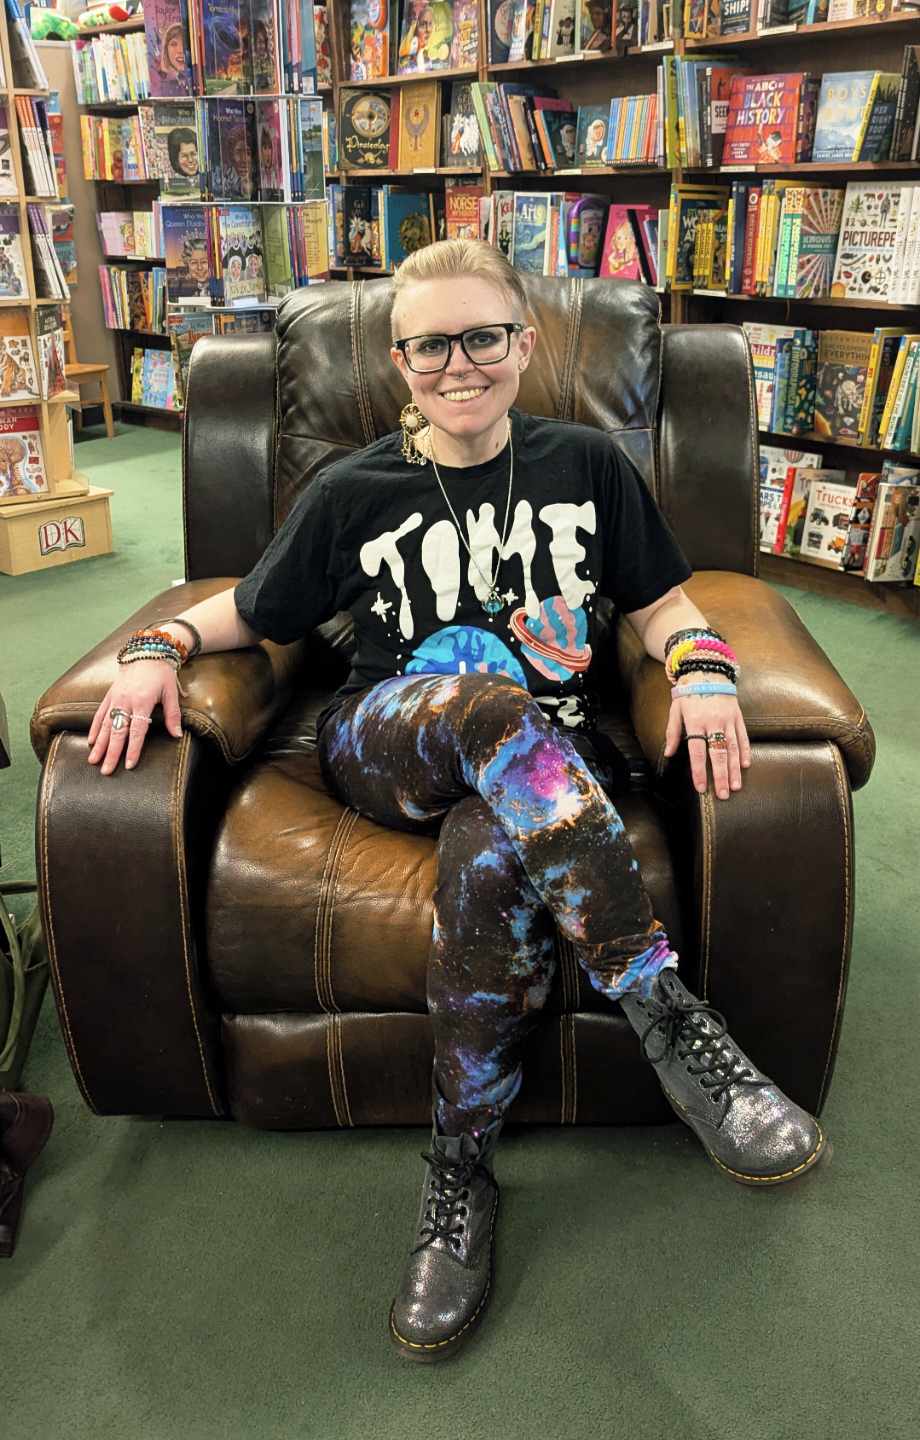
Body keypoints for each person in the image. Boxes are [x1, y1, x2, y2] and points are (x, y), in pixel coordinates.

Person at [87, 238, 831, 1362]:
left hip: (547, 776)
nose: (458, 363)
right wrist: (153, 644)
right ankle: (666, 1014)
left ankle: (456, 1171)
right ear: (397, 362)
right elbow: (249, 609)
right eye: (430, 343)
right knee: (486, 706)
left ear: (523, 347)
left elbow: (666, 605)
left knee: (492, 851)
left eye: (482, 337)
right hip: (390, 740)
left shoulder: (587, 464)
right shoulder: (351, 490)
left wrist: (707, 668)